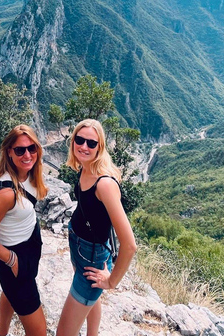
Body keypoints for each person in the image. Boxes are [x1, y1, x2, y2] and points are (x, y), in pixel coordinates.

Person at [56, 119, 138, 336]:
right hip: (78, 244)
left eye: (91, 143)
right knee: (91, 301)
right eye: (79, 140)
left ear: (99, 147)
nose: (84, 146)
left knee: (63, 333)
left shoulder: (105, 184)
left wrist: (111, 281)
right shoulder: (85, 168)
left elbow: (130, 245)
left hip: (92, 255)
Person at [0, 125, 49, 336]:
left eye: (32, 148)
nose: (27, 154)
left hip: (28, 247)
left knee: (8, 294)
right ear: (9, 152)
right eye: (19, 150)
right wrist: (12, 260)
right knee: (39, 332)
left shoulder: (28, 175)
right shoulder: (5, 193)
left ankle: (2, 333)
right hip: (14, 257)